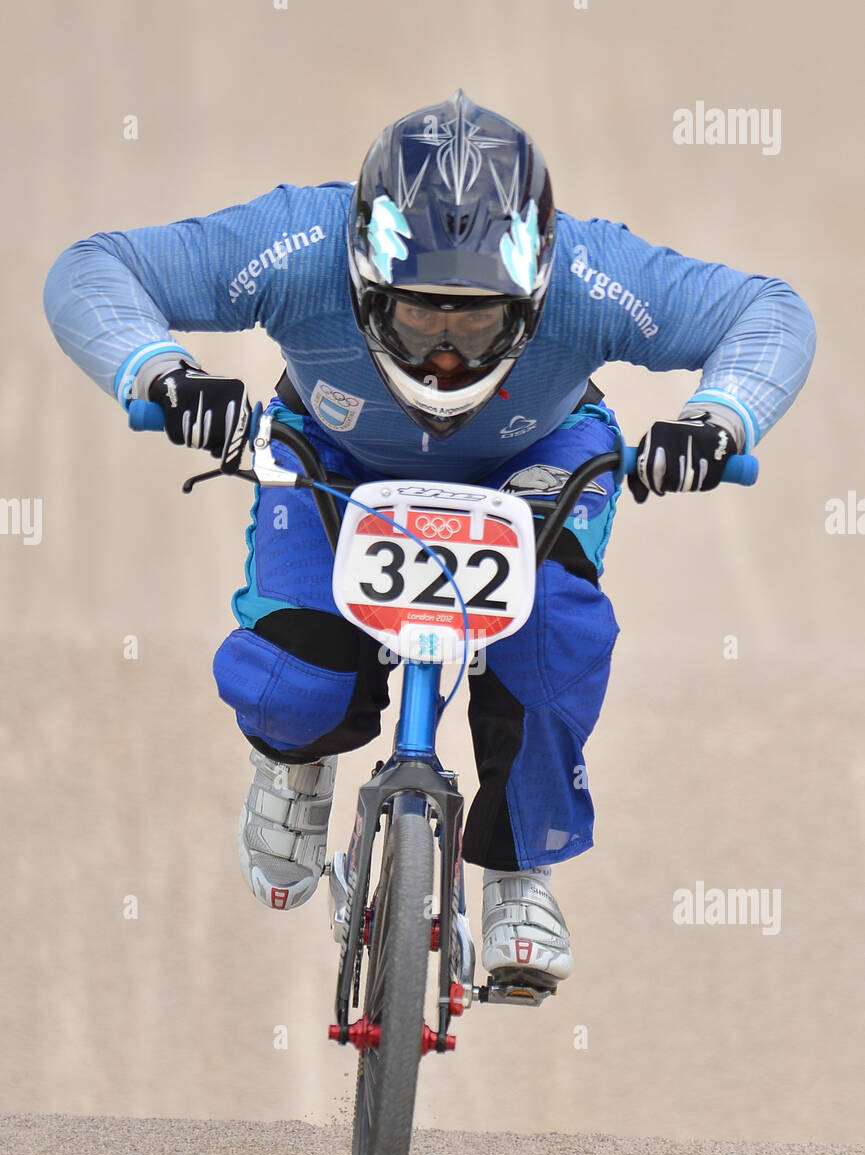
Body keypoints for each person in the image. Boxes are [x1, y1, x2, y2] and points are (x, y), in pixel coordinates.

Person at [43, 90, 815, 991]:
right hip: (334, 453)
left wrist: (718, 419)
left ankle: (520, 869)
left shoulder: (594, 273)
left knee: (551, 639)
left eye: (476, 318)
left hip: (533, 459)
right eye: (420, 314)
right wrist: (161, 371)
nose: (445, 349)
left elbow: (768, 311)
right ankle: (291, 766)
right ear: (364, 280)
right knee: (298, 678)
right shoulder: (296, 243)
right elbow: (95, 268)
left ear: (532, 295)